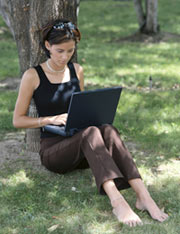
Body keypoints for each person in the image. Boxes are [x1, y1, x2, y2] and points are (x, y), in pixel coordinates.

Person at [13, 19, 168, 227]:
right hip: (54, 151)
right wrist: (50, 119)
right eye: (59, 51)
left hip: (85, 149)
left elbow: (82, 109)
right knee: (90, 133)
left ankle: (144, 196)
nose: (64, 57)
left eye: (70, 51)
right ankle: (118, 202)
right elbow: (17, 120)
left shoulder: (77, 70)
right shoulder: (33, 75)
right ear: (48, 46)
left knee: (107, 129)